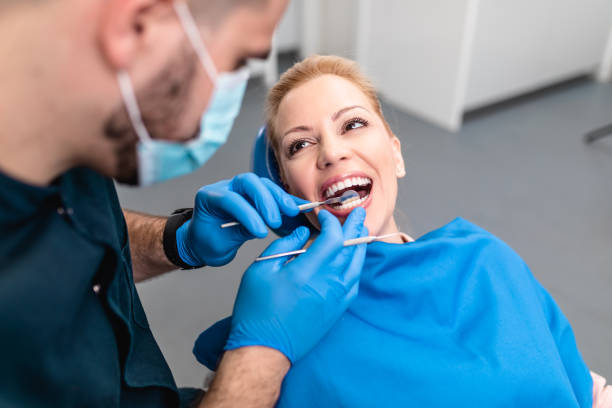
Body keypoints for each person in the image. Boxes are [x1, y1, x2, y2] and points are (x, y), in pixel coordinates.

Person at [0, 2, 370, 407]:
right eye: (237, 61)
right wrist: (261, 356)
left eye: (354, 124)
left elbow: (77, 232)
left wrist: (178, 240)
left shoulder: (69, 140)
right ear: (136, 25)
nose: (333, 154)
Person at [194, 55, 612, 407]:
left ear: (395, 155)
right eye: (300, 145)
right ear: (287, 190)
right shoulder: (273, 341)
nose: (333, 152)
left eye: (353, 124)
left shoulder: (487, 258)